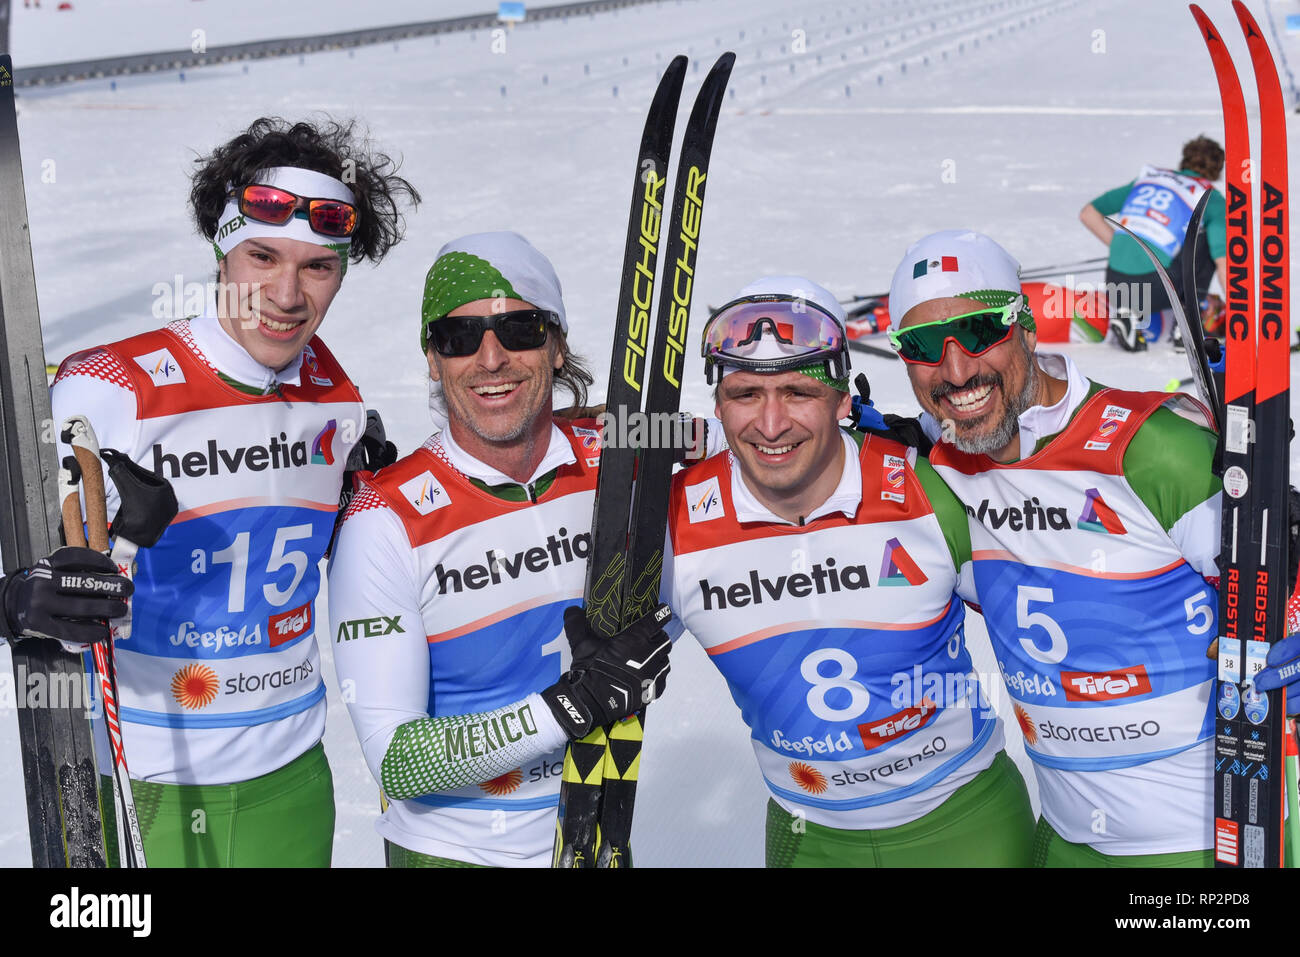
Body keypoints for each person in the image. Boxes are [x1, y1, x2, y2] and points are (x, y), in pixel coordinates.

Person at [12, 116, 419, 867]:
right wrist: (22, 596)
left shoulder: (337, 400)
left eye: (318, 266)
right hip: (148, 784)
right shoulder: (111, 388)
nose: (288, 294)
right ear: (222, 249)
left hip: (293, 781)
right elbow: (39, 554)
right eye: (262, 256)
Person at [660, 275, 1034, 867]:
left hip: (970, 827)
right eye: (745, 395)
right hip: (808, 839)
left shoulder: (927, 487)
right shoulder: (673, 521)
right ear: (719, 406)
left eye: (798, 392)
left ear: (842, 400)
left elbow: (1066, 589)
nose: (772, 423)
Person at [327, 231, 673, 868]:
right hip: (451, 853)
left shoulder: (621, 464)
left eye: (519, 330)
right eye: (458, 339)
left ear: (558, 344)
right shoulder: (384, 519)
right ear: (433, 359)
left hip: (596, 834)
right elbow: (396, 760)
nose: (490, 359)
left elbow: (757, 452)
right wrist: (571, 706)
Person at [886, 229, 1220, 866]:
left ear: (1029, 327)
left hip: (1199, 846)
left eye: (982, 331)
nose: (957, 371)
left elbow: (1273, 576)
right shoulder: (944, 463)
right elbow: (792, 441)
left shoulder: (1155, 447)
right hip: (1064, 842)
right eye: (925, 346)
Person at [1079, 135, 1228, 351]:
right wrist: (1241, 315)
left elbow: (1088, 213)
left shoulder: (1148, 179)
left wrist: (1122, 248)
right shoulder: (1210, 198)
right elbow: (1222, 261)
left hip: (1116, 285)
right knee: (1203, 239)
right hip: (1159, 288)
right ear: (1217, 169)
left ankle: (1127, 312)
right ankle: (1187, 323)